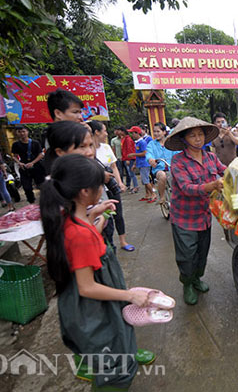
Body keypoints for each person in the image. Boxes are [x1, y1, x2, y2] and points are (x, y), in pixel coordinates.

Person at [39, 154, 149, 390]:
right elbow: (87, 287)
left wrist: (94, 215)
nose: (103, 188)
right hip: (95, 310)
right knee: (117, 369)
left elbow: (84, 238)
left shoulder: (69, 218)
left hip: (88, 305)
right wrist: (130, 296)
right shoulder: (79, 235)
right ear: (84, 192)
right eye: (100, 185)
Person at [164, 117, 225, 305]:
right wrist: (212, 185)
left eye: (200, 134)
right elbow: (187, 188)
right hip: (184, 217)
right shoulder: (178, 161)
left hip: (204, 216)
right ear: (184, 139)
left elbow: (225, 170)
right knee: (187, 256)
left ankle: (197, 279)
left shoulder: (211, 157)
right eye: (193, 136)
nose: (198, 139)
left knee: (202, 252)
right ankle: (187, 284)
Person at [90, 120, 136, 253]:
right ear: (96, 132)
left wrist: (120, 182)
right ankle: (107, 246)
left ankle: (123, 241)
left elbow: (114, 166)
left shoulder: (106, 147)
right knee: (105, 218)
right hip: (98, 191)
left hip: (111, 187)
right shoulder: (87, 149)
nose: (106, 133)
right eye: (104, 131)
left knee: (118, 215)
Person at [11, 126, 46, 203]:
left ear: (27, 132)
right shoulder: (16, 144)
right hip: (24, 168)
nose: (22, 133)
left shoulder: (35, 143)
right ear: (17, 133)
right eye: (19, 132)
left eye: (23, 131)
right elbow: (14, 156)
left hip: (37, 167)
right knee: (27, 188)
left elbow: (41, 154)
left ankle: (45, 201)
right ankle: (31, 202)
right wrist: (19, 163)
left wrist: (32, 163)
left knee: (42, 186)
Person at [146, 122, 177, 205]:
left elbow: (178, 152)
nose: (156, 133)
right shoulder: (151, 144)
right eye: (154, 131)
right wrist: (151, 159)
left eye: (158, 131)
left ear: (164, 132)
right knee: (162, 176)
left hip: (173, 167)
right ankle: (162, 197)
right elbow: (149, 154)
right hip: (159, 168)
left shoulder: (171, 142)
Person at [127, 126, 154, 202]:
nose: (132, 135)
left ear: (137, 133)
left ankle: (153, 194)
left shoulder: (142, 142)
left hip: (144, 164)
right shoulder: (138, 142)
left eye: (133, 133)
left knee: (146, 180)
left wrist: (133, 155)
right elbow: (139, 155)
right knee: (144, 181)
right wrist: (135, 164)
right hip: (141, 164)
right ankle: (147, 194)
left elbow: (145, 153)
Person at [120, 127, 138, 193]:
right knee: (131, 173)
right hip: (128, 158)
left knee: (132, 173)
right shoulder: (126, 139)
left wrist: (128, 159)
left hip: (130, 158)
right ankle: (135, 186)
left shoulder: (128, 139)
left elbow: (129, 149)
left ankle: (136, 186)